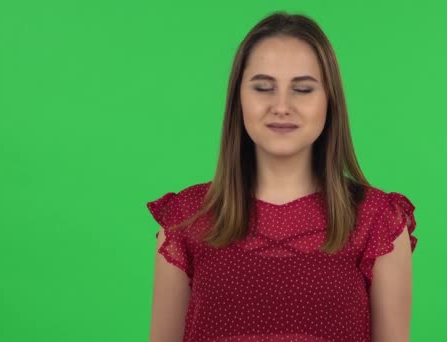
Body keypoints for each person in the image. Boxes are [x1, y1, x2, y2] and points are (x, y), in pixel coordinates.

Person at [147, 11, 418, 342]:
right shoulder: (186, 220)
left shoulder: (378, 222)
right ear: (238, 99)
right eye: (263, 88)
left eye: (303, 89)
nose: (281, 105)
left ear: (329, 101)